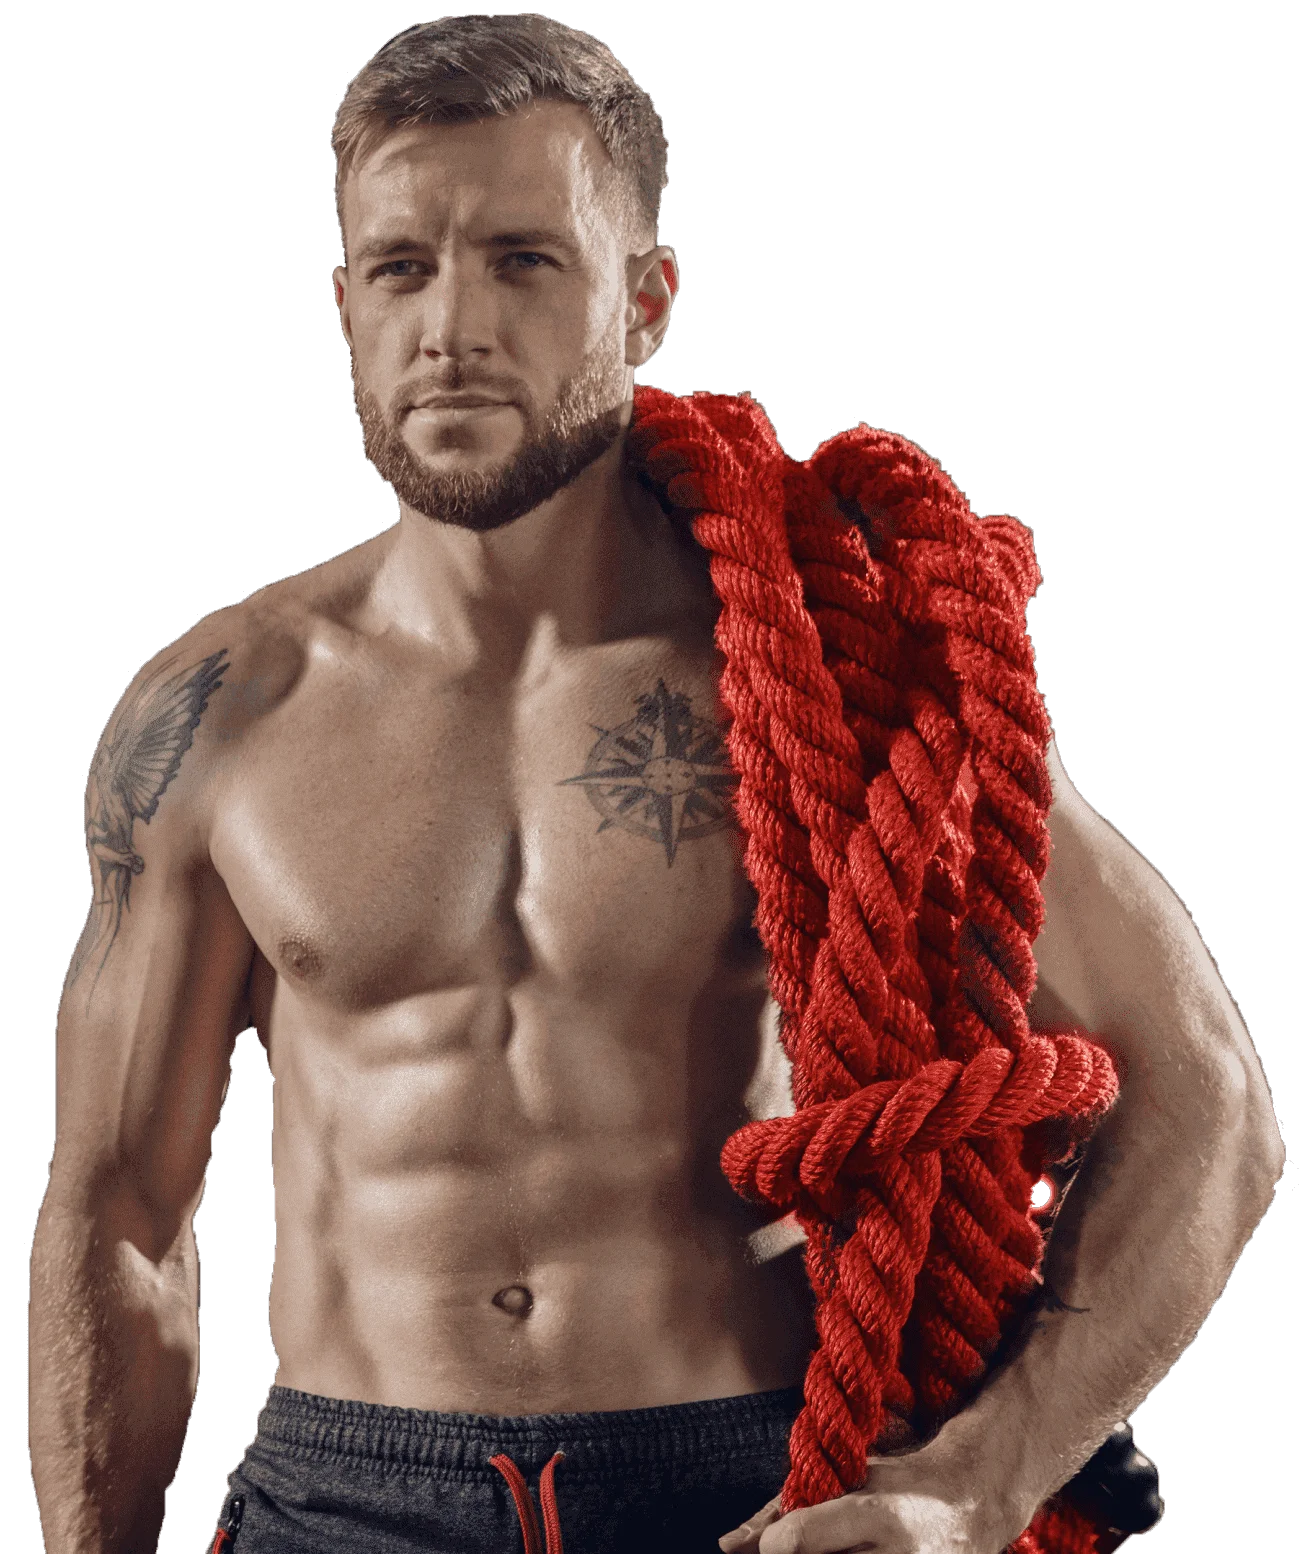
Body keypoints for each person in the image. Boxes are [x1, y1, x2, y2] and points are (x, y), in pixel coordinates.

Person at [28, 15, 1285, 1554]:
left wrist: (981, 1475)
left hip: (736, 1488)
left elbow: (1204, 1096)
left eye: (522, 260)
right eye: (403, 268)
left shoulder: (839, 669)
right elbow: (118, 1213)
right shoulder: (218, 712)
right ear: (345, 305)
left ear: (645, 301)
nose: (451, 325)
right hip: (345, 1496)